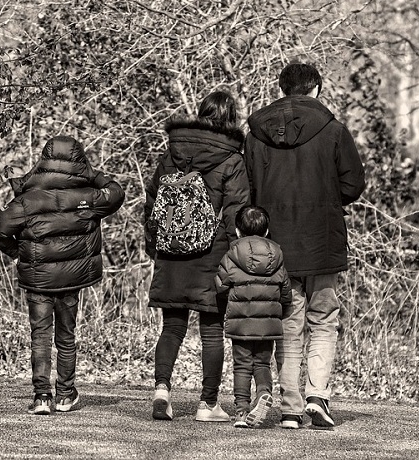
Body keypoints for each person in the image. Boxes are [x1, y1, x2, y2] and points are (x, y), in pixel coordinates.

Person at [243, 63, 366, 429]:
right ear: (316, 89)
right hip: (322, 239)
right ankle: (317, 396)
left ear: (283, 89)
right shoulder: (333, 130)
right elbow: (353, 184)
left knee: (288, 323)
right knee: (324, 320)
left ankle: (291, 408)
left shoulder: (256, 134)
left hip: (276, 242)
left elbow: (248, 190)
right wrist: (327, 199)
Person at [0, 135, 125, 415]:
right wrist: (92, 174)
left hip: (38, 279)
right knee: (66, 336)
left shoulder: (27, 199)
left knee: (40, 336)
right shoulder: (89, 198)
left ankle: (41, 397)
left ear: (44, 161)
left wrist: (17, 254)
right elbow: (116, 192)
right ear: (79, 162)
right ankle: (64, 395)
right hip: (72, 278)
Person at [144, 90, 250, 422]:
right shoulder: (232, 159)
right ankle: (207, 404)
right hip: (211, 253)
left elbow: (153, 202)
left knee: (172, 327)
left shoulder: (172, 152)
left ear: (201, 114)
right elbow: (235, 212)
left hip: (171, 249)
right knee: (211, 330)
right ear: (231, 119)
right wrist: (236, 259)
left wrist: (154, 245)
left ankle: (162, 391)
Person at [215, 205, 291, 428]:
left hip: (241, 322)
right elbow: (286, 292)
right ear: (266, 231)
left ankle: (241, 411)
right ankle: (264, 392)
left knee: (242, 365)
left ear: (238, 231)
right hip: (268, 323)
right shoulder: (277, 255)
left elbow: (220, 285)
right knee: (262, 363)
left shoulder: (232, 254)